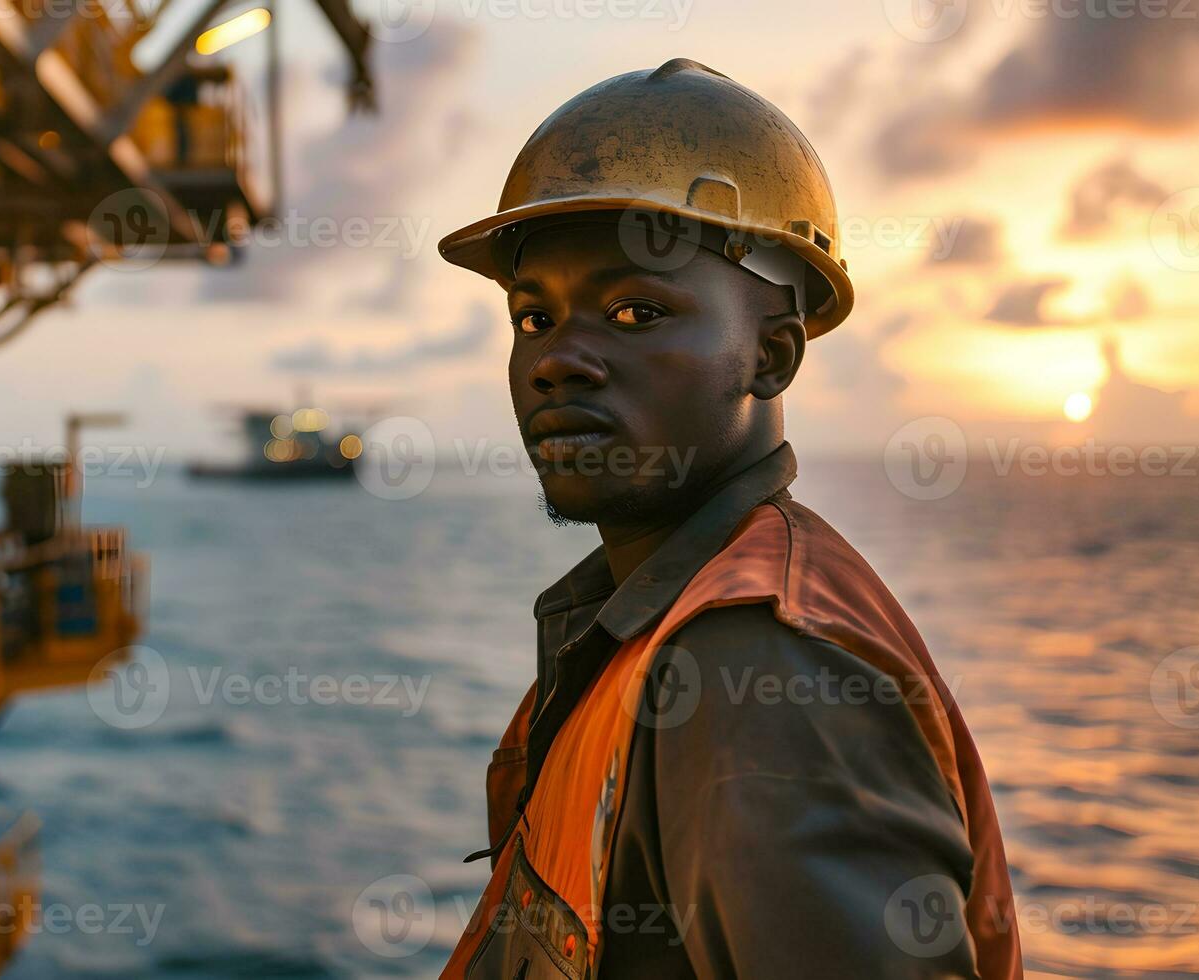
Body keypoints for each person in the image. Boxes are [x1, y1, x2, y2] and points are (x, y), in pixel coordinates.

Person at [434, 59, 1021, 979]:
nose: (557, 361)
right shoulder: (648, 622)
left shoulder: (758, 664)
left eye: (635, 310)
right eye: (533, 318)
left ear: (771, 356)